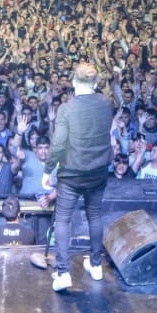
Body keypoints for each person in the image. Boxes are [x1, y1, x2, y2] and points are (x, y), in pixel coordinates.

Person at [43, 63, 113, 292]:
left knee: (63, 219)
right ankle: (95, 265)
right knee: (94, 215)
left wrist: (48, 170)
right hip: (98, 171)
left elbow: (58, 144)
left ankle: (63, 273)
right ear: (95, 84)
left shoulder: (67, 108)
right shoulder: (107, 103)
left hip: (72, 173)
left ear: (73, 83)